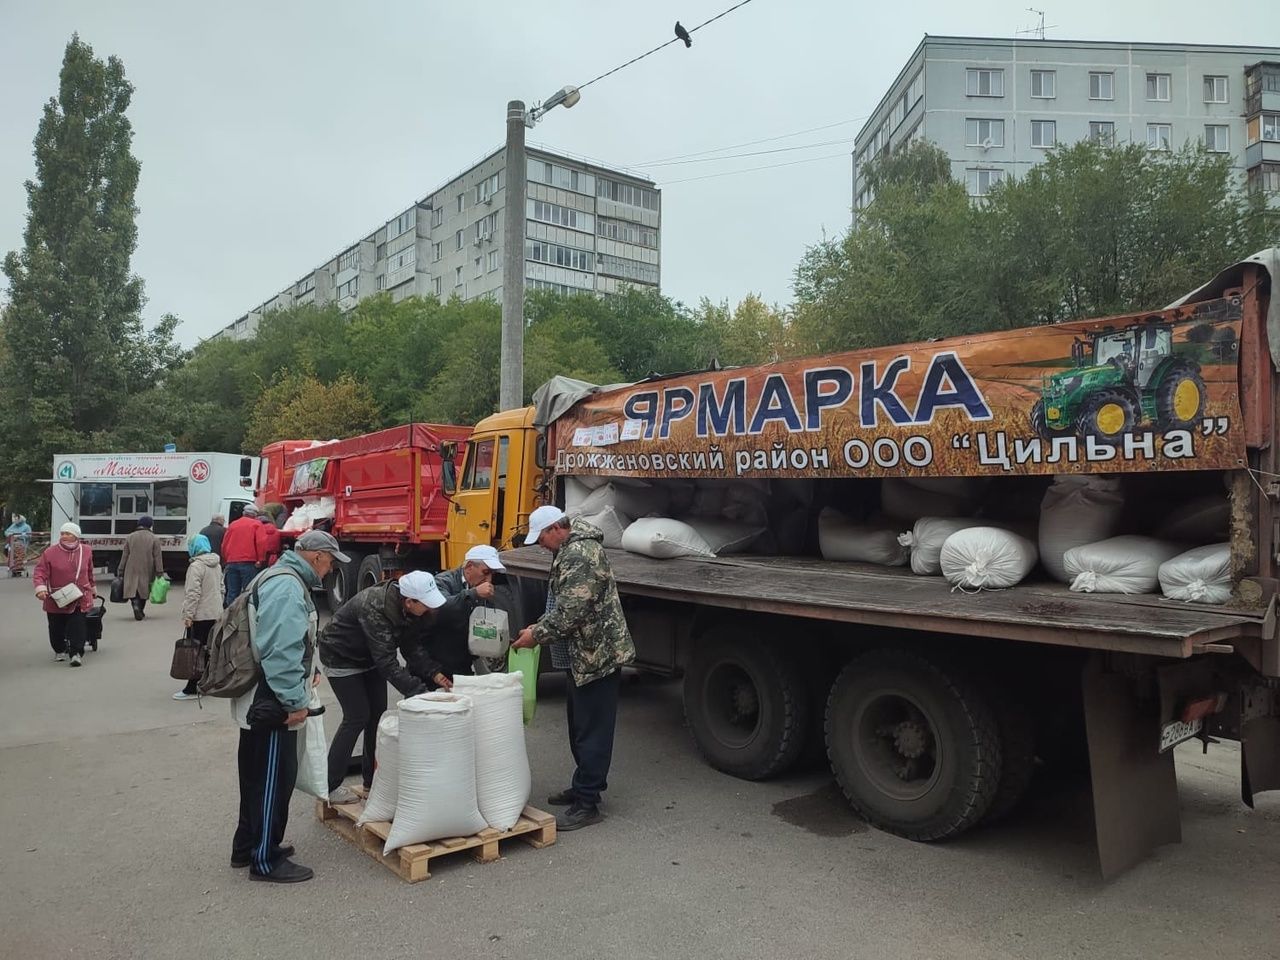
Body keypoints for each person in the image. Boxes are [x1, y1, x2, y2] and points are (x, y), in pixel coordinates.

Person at [229, 528, 348, 884]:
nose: (330, 569)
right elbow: (280, 651)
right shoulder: (288, 586)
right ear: (316, 556)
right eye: (330, 561)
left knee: (254, 778)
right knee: (271, 781)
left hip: (260, 696)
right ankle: (264, 860)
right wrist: (293, 702)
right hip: (272, 701)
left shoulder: (278, 576)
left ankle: (246, 846)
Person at [512, 506, 635, 831]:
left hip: (597, 656)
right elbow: (562, 602)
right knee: (579, 725)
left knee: (592, 730)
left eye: (540, 538)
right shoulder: (568, 548)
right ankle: (583, 785)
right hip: (582, 654)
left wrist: (535, 636)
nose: (539, 545)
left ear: (556, 528)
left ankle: (588, 802)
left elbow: (571, 611)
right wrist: (537, 625)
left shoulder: (580, 554)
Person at [318, 570, 449, 804]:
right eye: (426, 605)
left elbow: (411, 647)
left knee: (377, 717)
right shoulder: (374, 607)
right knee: (357, 716)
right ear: (410, 601)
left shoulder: (411, 611)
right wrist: (422, 693)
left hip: (369, 657)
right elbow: (388, 664)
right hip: (340, 655)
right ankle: (330, 785)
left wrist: (435, 674)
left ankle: (371, 782)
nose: (430, 610)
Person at [433, 543, 506, 676]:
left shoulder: (480, 588)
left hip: (462, 662)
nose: (488, 579)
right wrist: (473, 594)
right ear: (469, 567)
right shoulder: (443, 581)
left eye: (492, 574)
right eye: (485, 572)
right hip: (436, 664)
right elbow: (441, 608)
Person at [33, 522, 97, 667]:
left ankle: (75, 653)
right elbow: (40, 572)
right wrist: (41, 588)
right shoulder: (50, 552)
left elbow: (89, 571)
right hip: (56, 597)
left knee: (78, 625)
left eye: (68, 533)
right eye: (62, 533)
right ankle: (60, 649)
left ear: (76, 535)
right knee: (56, 626)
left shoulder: (86, 551)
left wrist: (92, 587)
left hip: (79, 595)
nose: (64, 536)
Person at [174, 534, 224, 700]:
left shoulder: (196, 566)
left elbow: (192, 593)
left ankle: (192, 688)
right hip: (215, 613)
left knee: (194, 652)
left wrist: (188, 615)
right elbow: (222, 588)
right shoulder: (216, 564)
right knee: (208, 649)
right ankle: (207, 683)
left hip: (199, 615)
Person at [120, 515, 165, 621]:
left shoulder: (130, 537)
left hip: (131, 567)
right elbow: (157, 556)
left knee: (132, 588)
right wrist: (159, 571)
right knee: (144, 590)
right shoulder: (154, 538)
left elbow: (125, 555)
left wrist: (121, 569)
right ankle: (140, 609)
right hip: (147, 567)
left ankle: (135, 605)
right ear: (150, 526)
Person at [222, 504, 267, 606]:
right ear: (255, 515)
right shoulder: (257, 524)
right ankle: (244, 617)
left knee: (232, 592)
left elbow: (224, 543)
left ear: (243, 513)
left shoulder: (233, 524)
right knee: (248, 591)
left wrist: (226, 558)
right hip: (248, 562)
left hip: (231, 562)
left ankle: (230, 617)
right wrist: (260, 559)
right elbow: (261, 542)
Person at [5, 513, 32, 577]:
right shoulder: (13, 525)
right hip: (11, 543)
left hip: (21, 543)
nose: (15, 522)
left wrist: (19, 536)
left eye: (17, 519)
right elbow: (6, 532)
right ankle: (13, 567)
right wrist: (10, 535)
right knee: (11, 552)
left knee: (17, 550)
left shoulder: (27, 527)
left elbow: (29, 535)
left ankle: (18, 568)